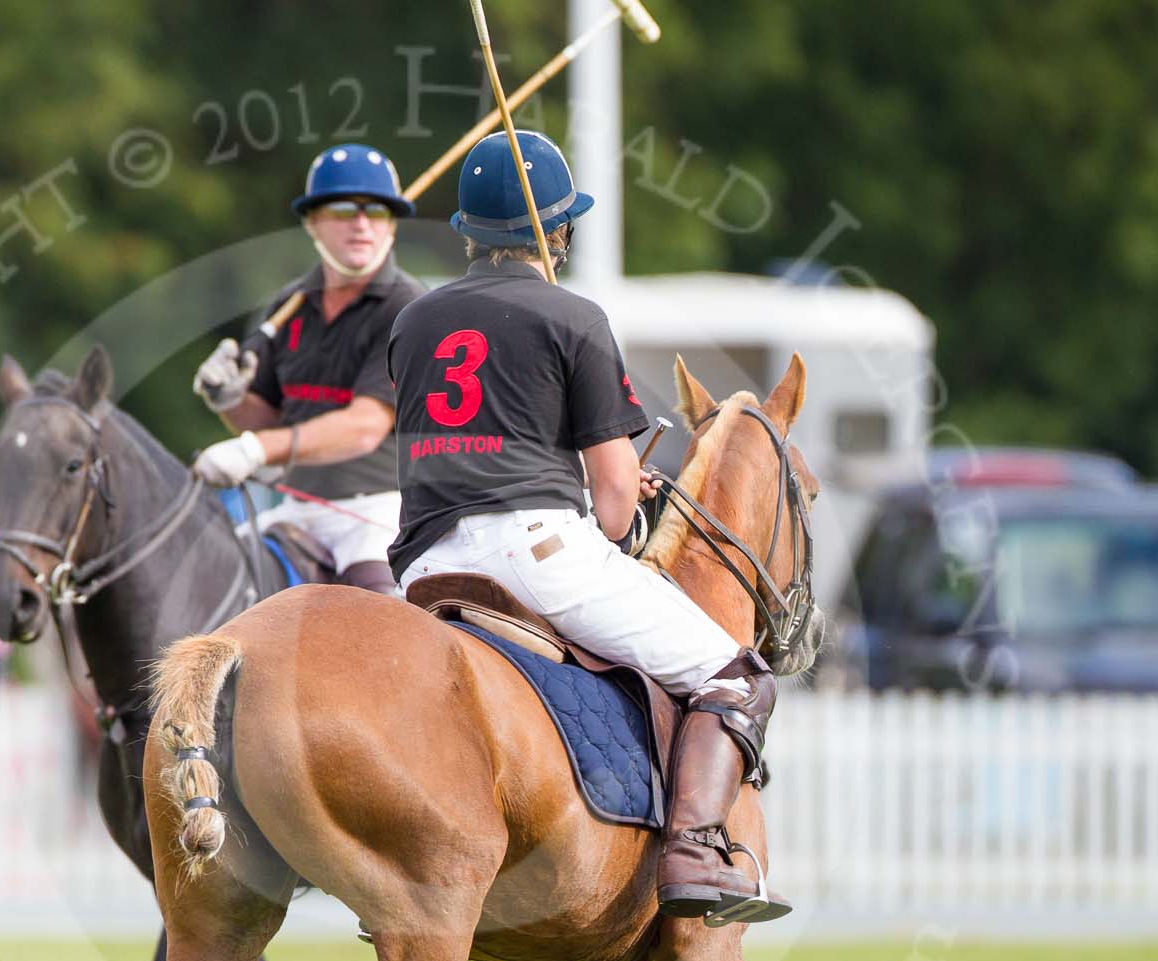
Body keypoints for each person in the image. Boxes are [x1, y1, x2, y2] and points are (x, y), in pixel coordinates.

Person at [386, 130, 781, 919]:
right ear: (556, 231)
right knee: (736, 671)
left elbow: (481, 436)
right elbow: (609, 505)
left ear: (468, 231)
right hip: (536, 553)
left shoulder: (413, 321)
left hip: (424, 566)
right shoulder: (575, 317)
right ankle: (695, 851)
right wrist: (626, 498)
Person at [189, 143, 424, 596]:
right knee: (201, 588)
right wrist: (230, 400)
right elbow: (275, 423)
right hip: (298, 509)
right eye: (342, 209)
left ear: (391, 225)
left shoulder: (406, 307)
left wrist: (254, 449)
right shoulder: (289, 306)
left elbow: (363, 427)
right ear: (312, 222)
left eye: (376, 211)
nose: (360, 224)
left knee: (387, 626)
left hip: (378, 513)